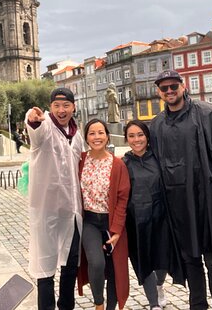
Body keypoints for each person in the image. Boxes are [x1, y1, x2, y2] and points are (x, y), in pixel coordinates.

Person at [149, 70, 212, 310]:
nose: (170, 91)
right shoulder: (157, 124)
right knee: (190, 261)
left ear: (183, 86)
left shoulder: (208, 114)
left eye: (173, 86)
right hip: (178, 205)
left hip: (211, 200)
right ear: (159, 92)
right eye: (164, 88)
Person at [25, 87, 85, 310]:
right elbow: (35, 130)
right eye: (56, 106)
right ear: (50, 107)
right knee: (46, 268)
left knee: (70, 266)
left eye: (66, 105)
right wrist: (34, 121)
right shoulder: (46, 127)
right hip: (46, 210)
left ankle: (67, 306)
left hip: (71, 212)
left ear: (73, 107)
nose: (61, 110)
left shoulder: (77, 136)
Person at [122, 120, 185, 310]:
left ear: (147, 137)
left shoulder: (158, 158)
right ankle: (154, 303)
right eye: (131, 136)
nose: (136, 139)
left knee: (162, 259)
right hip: (137, 220)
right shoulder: (123, 163)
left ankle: (159, 285)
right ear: (126, 139)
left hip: (161, 217)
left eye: (140, 135)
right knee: (145, 260)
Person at [76, 119, 130, 310]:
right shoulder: (80, 160)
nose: (96, 137)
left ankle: (111, 308)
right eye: (92, 133)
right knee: (96, 263)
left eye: (100, 132)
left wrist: (116, 231)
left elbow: (123, 200)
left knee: (114, 269)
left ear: (107, 136)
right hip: (90, 221)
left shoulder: (117, 165)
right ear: (86, 137)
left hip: (111, 222)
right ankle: (99, 303)